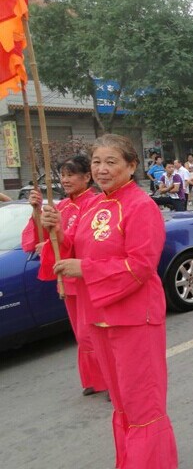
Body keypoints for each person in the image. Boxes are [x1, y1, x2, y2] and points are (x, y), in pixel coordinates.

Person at [40, 134, 178, 469]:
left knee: (141, 398)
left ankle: (151, 466)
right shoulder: (92, 205)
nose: (102, 169)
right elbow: (73, 247)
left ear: (132, 166)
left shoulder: (141, 206)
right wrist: (56, 233)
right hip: (99, 314)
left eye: (111, 162)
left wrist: (85, 269)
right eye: (97, 162)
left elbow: (141, 265)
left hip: (134, 318)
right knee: (120, 399)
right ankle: (133, 461)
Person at [21, 155, 106, 397]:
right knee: (81, 333)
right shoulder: (61, 206)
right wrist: (37, 210)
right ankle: (94, 378)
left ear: (86, 177)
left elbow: (88, 240)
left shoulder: (96, 203)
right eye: (63, 175)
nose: (65, 180)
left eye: (70, 175)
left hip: (88, 274)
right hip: (68, 277)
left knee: (96, 329)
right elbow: (35, 240)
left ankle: (110, 377)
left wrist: (51, 244)